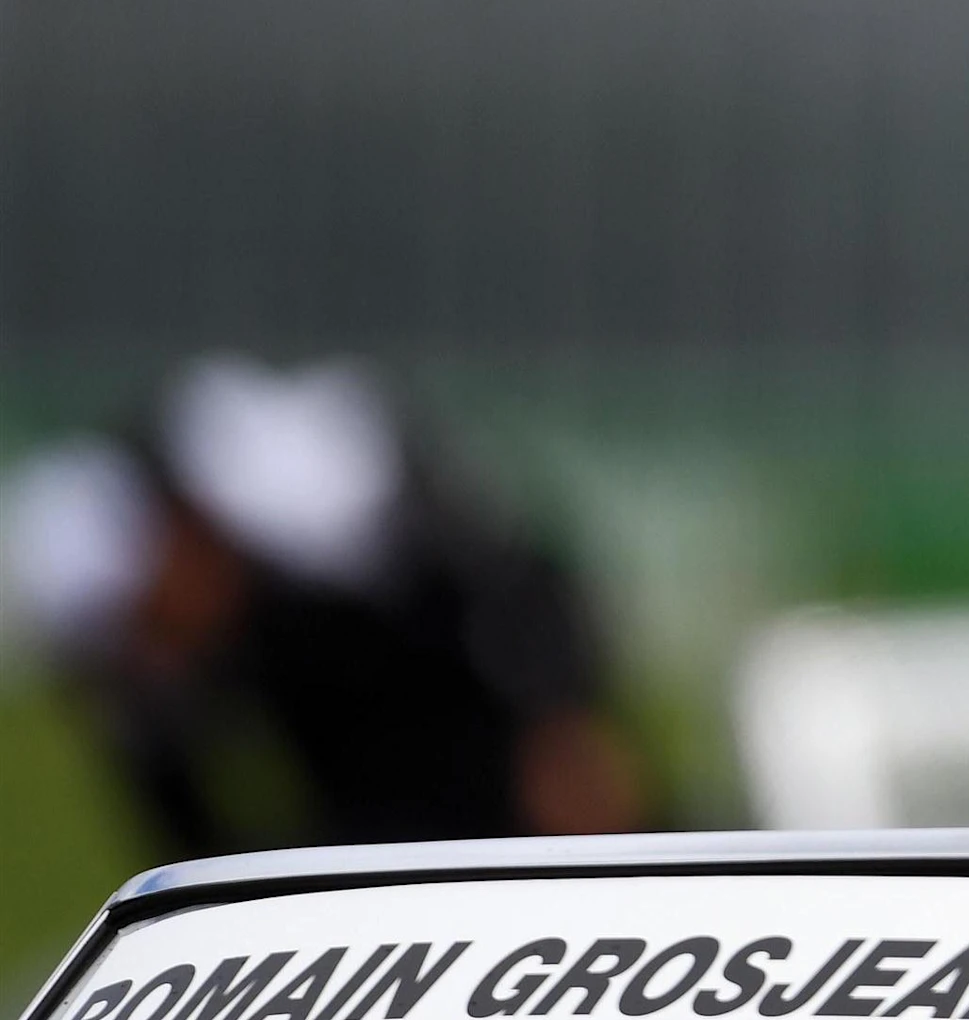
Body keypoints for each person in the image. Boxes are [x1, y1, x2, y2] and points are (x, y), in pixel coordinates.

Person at [0, 358, 642, 852]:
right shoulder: (165, 658)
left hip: (481, 733)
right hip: (364, 803)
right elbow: (195, 848)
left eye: (147, 622)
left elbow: (521, 575)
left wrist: (558, 721)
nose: (151, 656)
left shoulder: (310, 501)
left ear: (181, 534)